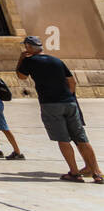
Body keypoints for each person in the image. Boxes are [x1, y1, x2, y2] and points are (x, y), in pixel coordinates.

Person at [16, 36, 101, 183]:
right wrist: (70, 97)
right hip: (69, 102)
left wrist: (21, 59)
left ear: (28, 47)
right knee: (81, 138)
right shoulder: (57, 60)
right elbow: (72, 81)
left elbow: (21, 76)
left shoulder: (29, 61)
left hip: (50, 104)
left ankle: (74, 173)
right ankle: (97, 173)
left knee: (63, 139)